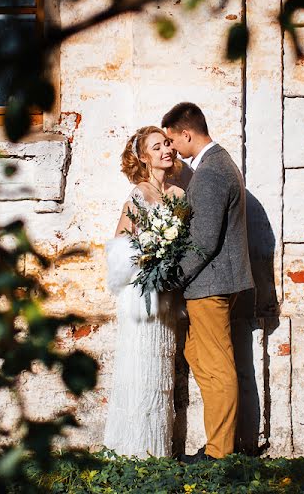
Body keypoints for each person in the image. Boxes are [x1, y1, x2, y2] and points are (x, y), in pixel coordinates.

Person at [161, 102, 254, 464]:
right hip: (213, 282)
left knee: (216, 367)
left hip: (211, 284)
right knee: (199, 354)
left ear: (187, 133)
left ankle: (219, 452)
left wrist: (172, 280)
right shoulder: (217, 164)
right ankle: (219, 441)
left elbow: (204, 241)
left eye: (172, 140)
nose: (172, 148)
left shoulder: (212, 172)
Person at [102, 126, 184, 458]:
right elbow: (120, 247)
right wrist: (149, 260)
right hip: (141, 296)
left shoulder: (179, 195)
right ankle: (133, 450)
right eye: (157, 146)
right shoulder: (138, 195)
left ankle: (157, 450)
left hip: (167, 297)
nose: (167, 149)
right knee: (139, 369)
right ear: (143, 157)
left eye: (167, 143)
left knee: (161, 372)